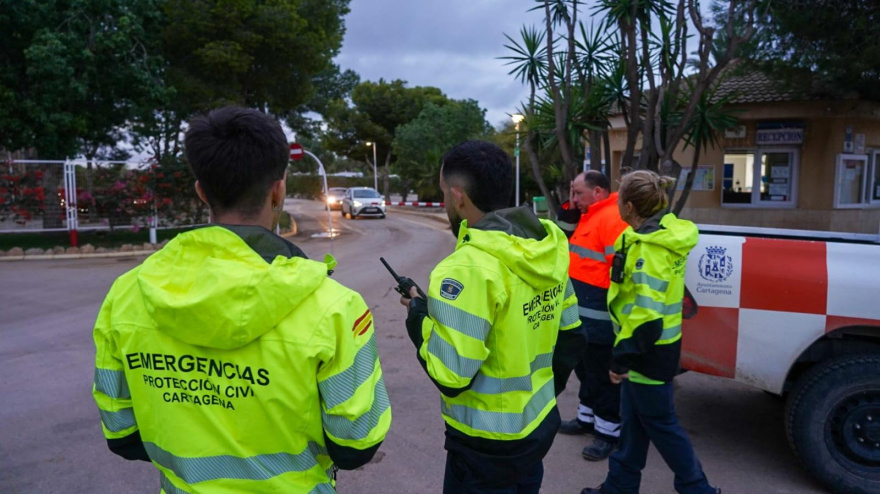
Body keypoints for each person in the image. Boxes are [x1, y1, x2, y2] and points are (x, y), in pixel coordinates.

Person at [91, 106, 390, 493]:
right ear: (278, 190)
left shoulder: (127, 295)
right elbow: (356, 446)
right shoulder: (334, 307)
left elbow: (123, 436)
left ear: (201, 191)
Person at [398, 140, 585, 493]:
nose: (444, 202)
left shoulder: (468, 268)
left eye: (442, 193)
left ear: (458, 196)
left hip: (484, 448)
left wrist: (418, 319)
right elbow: (572, 337)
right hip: (536, 432)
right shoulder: (549, 246)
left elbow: (451, 373)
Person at [582, 170, 720, 494]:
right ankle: (619, 486)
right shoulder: (660, 234)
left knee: (661, 424)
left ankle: (698, 489)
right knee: (633, 423)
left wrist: (619, 361)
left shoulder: (649, 250)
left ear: (628, 207)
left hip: (646, 353)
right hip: (652, 349)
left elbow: (647, 318)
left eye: (619, 200)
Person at [555, 171, 629, 462]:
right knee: (585, 371)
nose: (574, 200)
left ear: (598, 192)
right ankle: (587, 420)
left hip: (600, 318)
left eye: (578, 194)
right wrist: (570, 208)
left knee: (602, 376)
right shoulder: (590, 214)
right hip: (585, 316)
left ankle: (608, 434)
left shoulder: (612, 219)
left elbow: (619, 273)